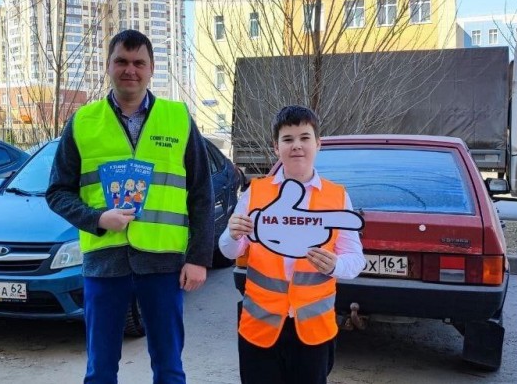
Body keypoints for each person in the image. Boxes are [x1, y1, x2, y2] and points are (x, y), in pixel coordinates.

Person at [46, 29, 215, 384]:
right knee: (100, 369)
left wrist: (199, 258)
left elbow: (200, 191)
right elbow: (57, 192)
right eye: (121, 61)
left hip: (163, 264)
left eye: (139, 63)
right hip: (104, 264)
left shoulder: (178, 117)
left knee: (169, 367)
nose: (130, 70)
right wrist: (97, 218)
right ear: (108, 65)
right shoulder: (83, 122)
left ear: (152, 69)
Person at [219, 105, 366, 384]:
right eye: (288, 139)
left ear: (318, 144)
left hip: (313, 331)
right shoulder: (256, 193)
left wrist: (336, 265)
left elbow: (355, 259)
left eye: (304, 137)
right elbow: (229, 251)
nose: (296, 145)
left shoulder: (336, 197)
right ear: (276, 147)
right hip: (260, 329)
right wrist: (232, 234)